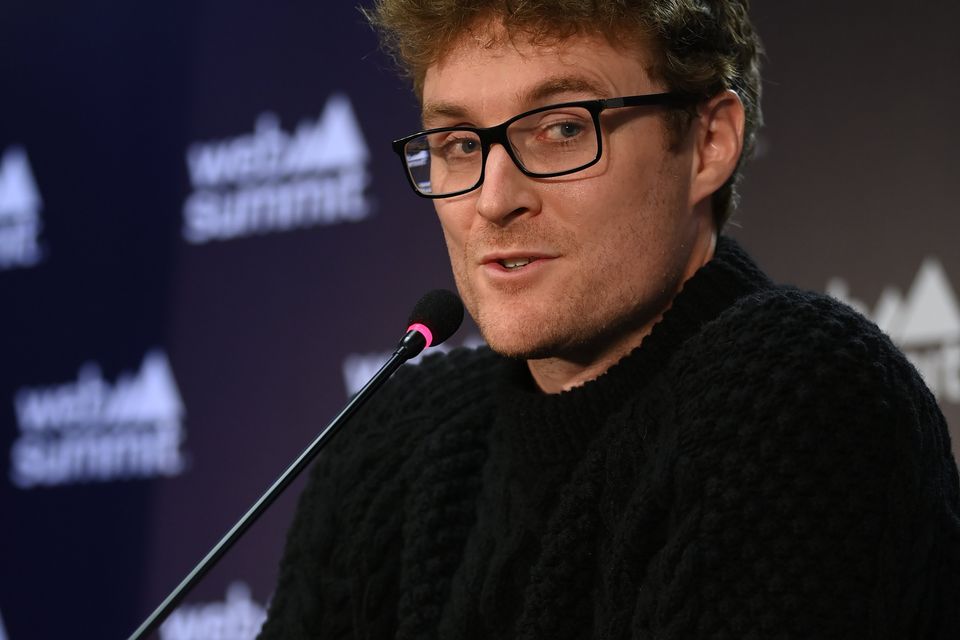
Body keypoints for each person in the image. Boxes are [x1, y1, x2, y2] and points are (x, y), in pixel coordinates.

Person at [259, 1, 960, 638]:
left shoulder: (802, 389)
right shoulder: (391, 443)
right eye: (460, 145)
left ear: (709, 142)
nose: (494, 201)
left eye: (562, 129)